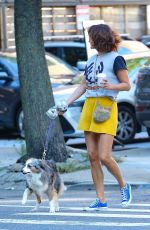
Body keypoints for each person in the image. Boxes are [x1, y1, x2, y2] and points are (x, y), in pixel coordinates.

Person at [60, 24, 132, 210]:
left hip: (106, 106)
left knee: (105, 156)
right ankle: (101, 199)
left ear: (98, 38)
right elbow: (83, 85)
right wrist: (66, 103)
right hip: (90, 106)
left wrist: (111, 87)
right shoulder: (91, 59)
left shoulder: (117, 59)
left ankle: (124, 186)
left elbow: (126, 85)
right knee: (92, 156)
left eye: (90, 37)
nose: (88, 40)